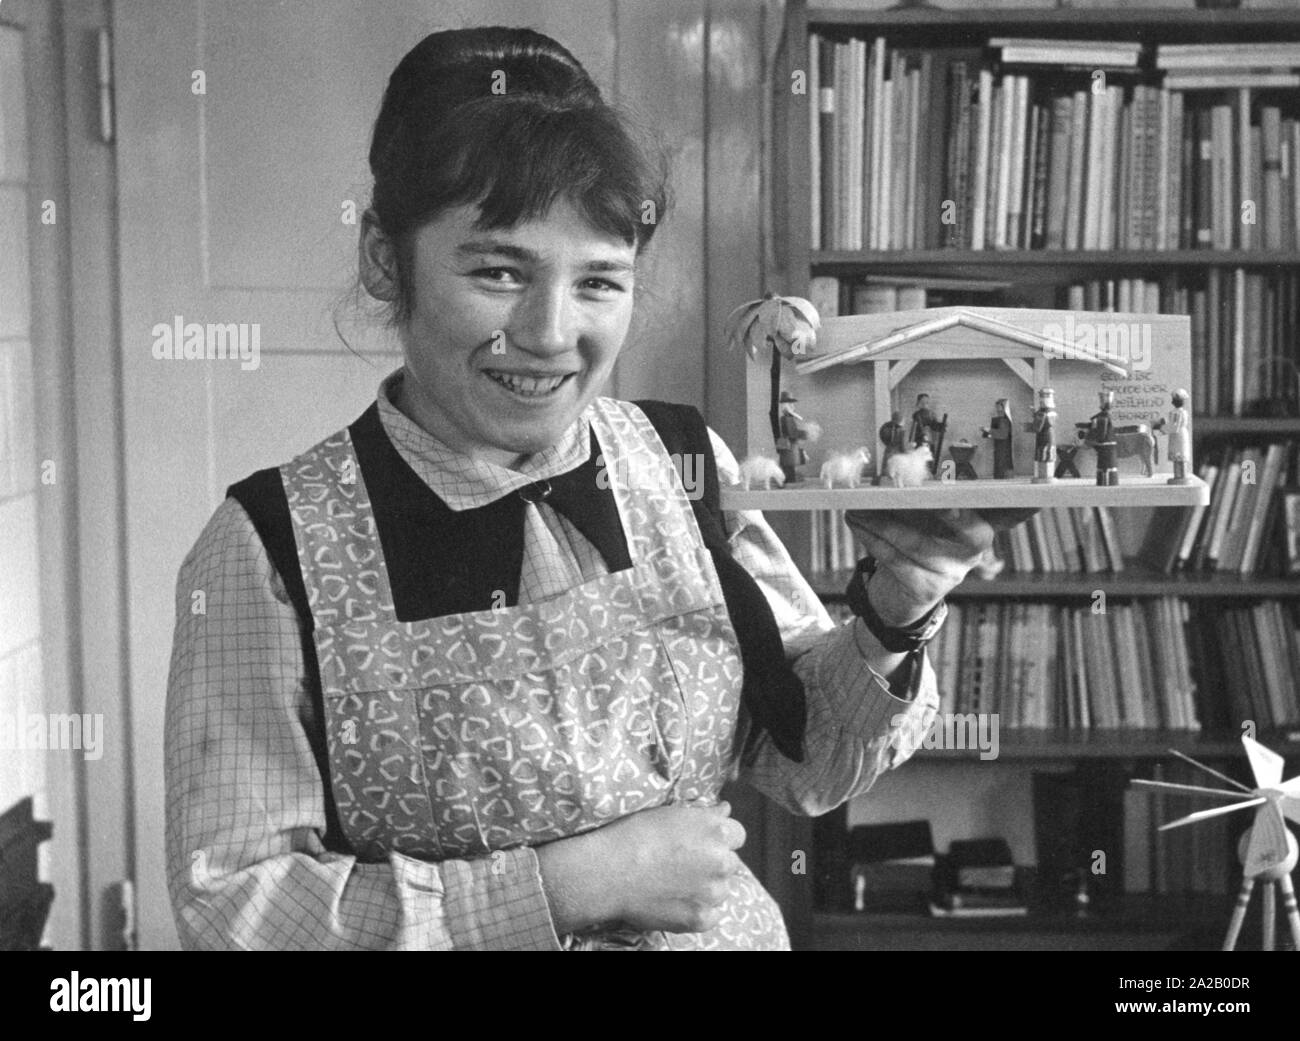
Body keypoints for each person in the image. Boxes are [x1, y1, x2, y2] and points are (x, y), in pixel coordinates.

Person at [164, 26, 1014, 951]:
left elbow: (800, 755)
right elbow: (237, 909)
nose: (549, 332)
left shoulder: (684, 462)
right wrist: (565, 886)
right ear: (383, 258)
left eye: (599, 281)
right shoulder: (270, 545)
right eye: (498, 271)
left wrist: (900, 607)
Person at [981, 398, 1014, 479]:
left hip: (1004, 446)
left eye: (999, 407)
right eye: (997, 407)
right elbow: (993, 434)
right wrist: (986, 432)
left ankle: (1004, 476)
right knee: (998, 461)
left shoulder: (1005, 420)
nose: (997, 409)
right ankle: (998, 475)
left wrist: (989, 430)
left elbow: (1002, 434)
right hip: (998, 445)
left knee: (1003, 461)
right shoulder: (997, 419)